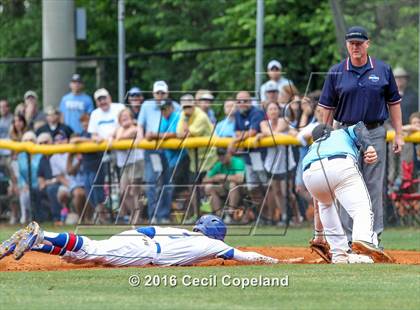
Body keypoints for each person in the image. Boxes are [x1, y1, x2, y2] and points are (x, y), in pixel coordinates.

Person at [317, 26, 404, 245]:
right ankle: (348, 238)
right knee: (345, 185)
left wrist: (399, 134)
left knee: (373, 186)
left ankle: (373, 237)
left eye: (359, 43)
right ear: (347, 45)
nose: (355, 47)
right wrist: (323, 136)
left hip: (375, 131)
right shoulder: (336, 71)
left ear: (368, 43)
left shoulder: (382, 69)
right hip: (345, 134)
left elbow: (394, 103)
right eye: (351, 43)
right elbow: (326, 108)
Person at [0, 215, 279, 266]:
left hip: (137, 237)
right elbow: (245, 255)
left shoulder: (181, 231)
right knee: (90, 248)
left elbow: (147, 228)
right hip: (144, 252)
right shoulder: (214, 246)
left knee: (81, 255)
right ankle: (43, 233)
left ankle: (33, 243)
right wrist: (278, 261)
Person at [302, 123, 393, 264]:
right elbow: (359, 128)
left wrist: (319, 235)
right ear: (331, 132)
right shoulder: (341, 133)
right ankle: (362, 239)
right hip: (340, 164)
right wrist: (369, 146)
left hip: (309, 173)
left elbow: (316, 209)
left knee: (325, 205)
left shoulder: (312, 148)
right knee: (361, 209)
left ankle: (339, 254)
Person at [137, 81, 180, 224]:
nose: (160, 96)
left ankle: (164, 215)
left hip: (168, 150)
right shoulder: (147, 105)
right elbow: (140, 125)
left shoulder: (175, 107)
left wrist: (154, 135)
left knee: (168, 183)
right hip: (152, 150)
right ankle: (153, 215)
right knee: (152, 182)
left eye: (162, 93)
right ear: (153, 93)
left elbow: (178, 130)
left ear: (167, 93)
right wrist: (140, 138)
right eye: (157, 93)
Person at [256, 102, 298, 225]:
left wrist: (263, 135)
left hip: (286, 161)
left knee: (287, 192)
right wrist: (263, 133)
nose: (273, 111)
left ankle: (297, 216)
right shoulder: (263, 123)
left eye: (275, 109)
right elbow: (266, 130)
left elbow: (274, 132)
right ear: (267, 112)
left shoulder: (284, 120)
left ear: (279, 111)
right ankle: (284, 216)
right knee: (277, 191)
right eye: (270, 109)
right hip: (272, 163)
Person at [230, 91, 267, 210]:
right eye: (239, 101)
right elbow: (237, 132)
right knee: (252, 187)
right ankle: (261, 215)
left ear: (250, 101)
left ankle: (272, 215)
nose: (241, 103)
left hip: (260, 154)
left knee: (265, 186)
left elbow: (253, 132)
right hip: (248, 155)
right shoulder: (237, 114)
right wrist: (243, 135)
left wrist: (236, 140)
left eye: (244, 101)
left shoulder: (257, 112)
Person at [70, 114, 105, 223]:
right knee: (89, 190)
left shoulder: (96, 133)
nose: (85, 124)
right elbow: (72, 140)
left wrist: (81, 139)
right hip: (87, 166)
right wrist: (81, 139)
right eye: (83, 122)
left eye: (87, 121)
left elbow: (96, 140)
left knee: (96, 190)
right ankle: (97, 215)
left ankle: (102, 216)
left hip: (96, 165)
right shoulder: (82, 133)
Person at [113, 108, 144, 223]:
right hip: (124, 164)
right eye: (122, 116)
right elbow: (111, 136)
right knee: (124, 192)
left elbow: (131, 133)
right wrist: (114, 137)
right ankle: (133, 214)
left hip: (136, 161)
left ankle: (137, 218)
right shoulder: (118, 129)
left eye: (127, 115)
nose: (124, 117)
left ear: (131, 117)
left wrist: (118, 137)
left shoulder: (135, 128)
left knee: (135, 191)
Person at [202, 148, 245, 218]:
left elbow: (240, 179)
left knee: (233, 184)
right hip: (225, 188)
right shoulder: (219, 164)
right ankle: (219, 216)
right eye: (219, 155)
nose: (221, 157)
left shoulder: (237, 162)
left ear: (229, 154)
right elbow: (204, 180)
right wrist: (215, 178)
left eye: (223, 154)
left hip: (240, 189)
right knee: (209, 187)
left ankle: (230, 214)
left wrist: (223, 177)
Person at [17, 131, 43, 223]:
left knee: (30, 192)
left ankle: (35, 217)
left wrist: (34, 185)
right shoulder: (20, 156)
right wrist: (23, 185)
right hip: (26, 185)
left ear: (35, 141)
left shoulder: (40, 154)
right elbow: (20, 174)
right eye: (26, 140)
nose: (28, 142)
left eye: (31, 140)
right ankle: (25, 215)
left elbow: (41, 173)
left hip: (39, 184)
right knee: (24, 193)